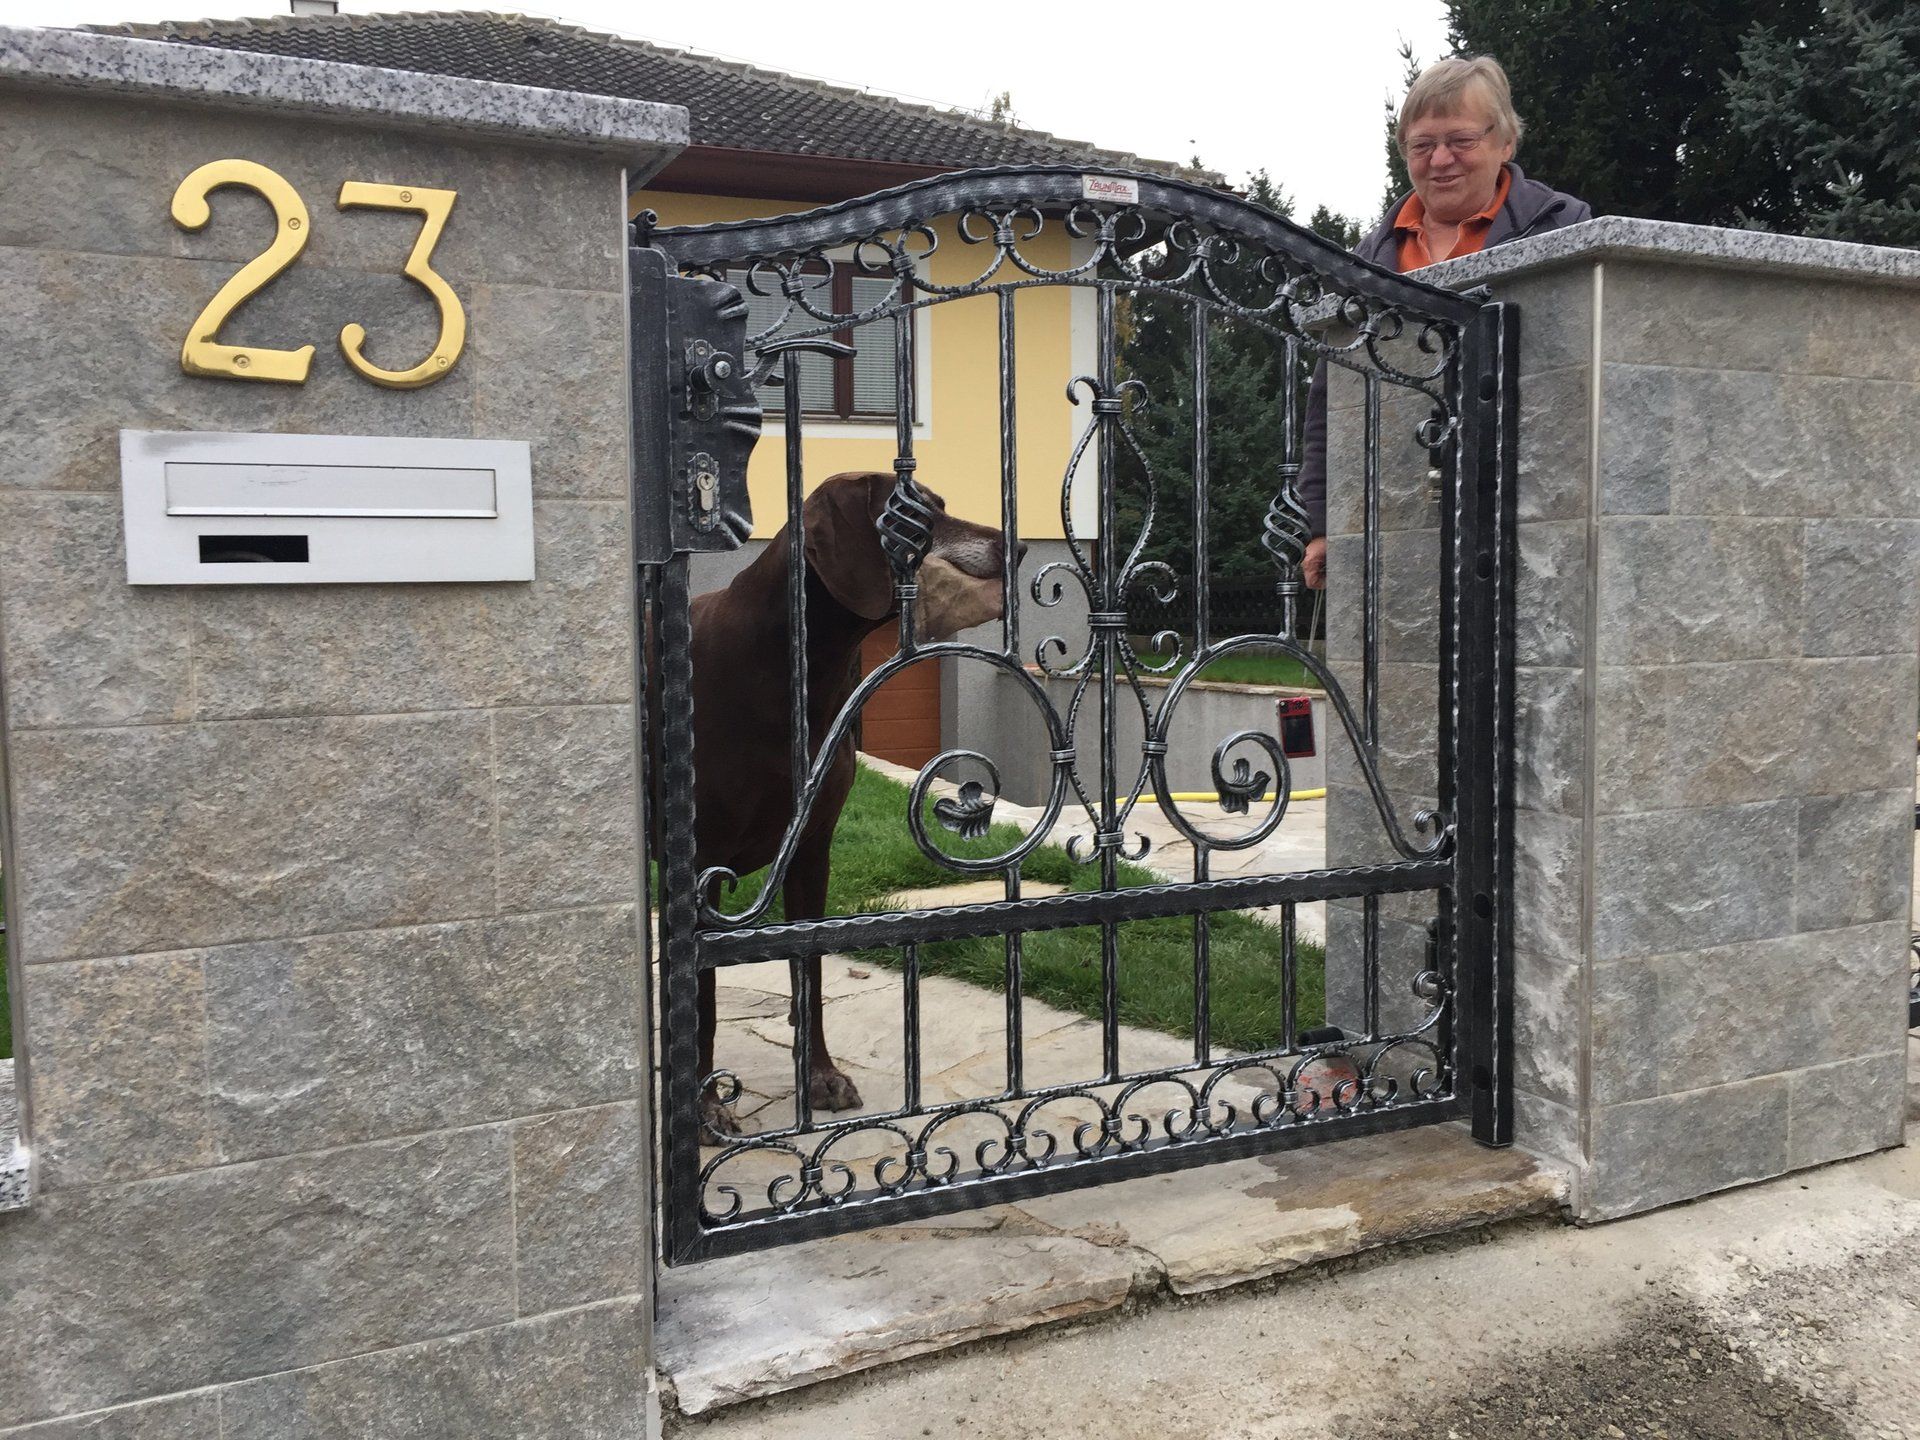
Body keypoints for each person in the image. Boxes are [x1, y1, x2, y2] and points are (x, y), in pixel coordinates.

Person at [1297, 55, 1591, 589]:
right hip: (1394, 513)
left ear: (1505, 141)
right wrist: (1322, 524)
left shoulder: (1563, 229)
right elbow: (1328, 398)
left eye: (1460, 140)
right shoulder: (1368, 258)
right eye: (1422, 145)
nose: (1440, 160)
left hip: (1533, 510)